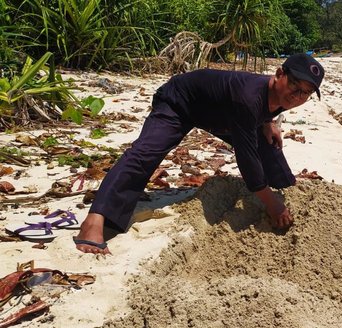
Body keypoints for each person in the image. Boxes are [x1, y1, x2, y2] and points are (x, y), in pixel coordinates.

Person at [73, 53, 325, 254]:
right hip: (179, 102)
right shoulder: (248, 98)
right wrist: (271, 204)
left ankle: (287, 187)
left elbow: (267, 105)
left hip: (219, 114)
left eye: (306, 92)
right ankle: (95, 220)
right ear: (279, 74)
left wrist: (268, 121)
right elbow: (246, 160)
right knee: (144, 154)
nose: (297, 95)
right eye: (294, 85)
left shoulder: (275, 95)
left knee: (268, 142)